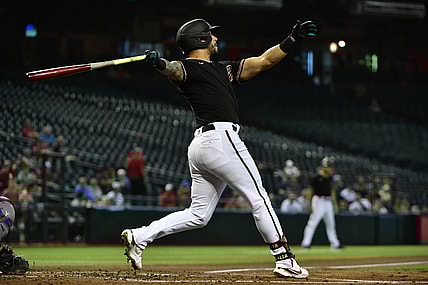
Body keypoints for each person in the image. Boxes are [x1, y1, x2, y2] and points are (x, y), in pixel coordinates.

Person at [121, 18, 317, 279]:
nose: (216, 39)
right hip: (221, 140)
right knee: (258, 197)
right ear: (200, 39)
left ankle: (141, 236)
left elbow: (264, 61)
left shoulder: (223, 69)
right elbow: (175, 70)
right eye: (211, 35)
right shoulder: (189, 67)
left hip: (201, 146)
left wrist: (292, 40)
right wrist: (159, 64)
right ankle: (284, 259)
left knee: (198, 215)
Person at [301, 157, 342, 250]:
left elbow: (332, 192)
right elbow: (311, 191)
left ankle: (335, 243)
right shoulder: (316, 178)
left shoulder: (330, 178)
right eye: (329, 167)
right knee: (313, 223)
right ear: (324, 167)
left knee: (331, 224)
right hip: (318, 201)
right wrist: (310, 204)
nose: (331, 169)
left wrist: (334, 204)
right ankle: (306, 243)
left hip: (328, 202)